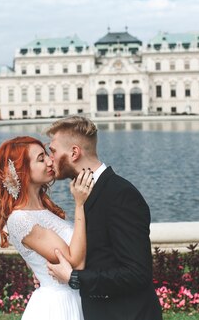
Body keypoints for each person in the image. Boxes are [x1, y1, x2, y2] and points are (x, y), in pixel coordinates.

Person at [46, 116, 163, 320]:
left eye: (53, 151)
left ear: (74, 152)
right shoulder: (83, 193)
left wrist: (75, 278)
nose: (49, 159)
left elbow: (137, 273)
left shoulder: (121, 194)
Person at [0, 136, 94, 320]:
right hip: (58, 306)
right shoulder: (20, 219)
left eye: (47, 154)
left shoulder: (43, 211)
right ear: (22, 171)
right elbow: (75, 263)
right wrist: (80, 205)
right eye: (41, 158)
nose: (50, 160)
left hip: (73, 298)